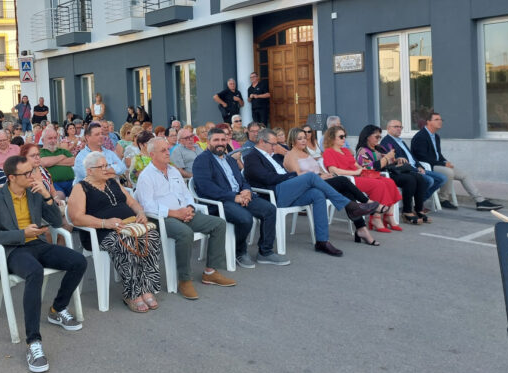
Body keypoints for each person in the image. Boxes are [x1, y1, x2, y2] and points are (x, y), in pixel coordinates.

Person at [0, 155, 86, 373]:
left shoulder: (35, 193)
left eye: (32, 171)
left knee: (78, 261)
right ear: (11, 177)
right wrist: (21, 234)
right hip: (13, 250)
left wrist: (48, 196)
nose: (32, 176)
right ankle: (33, 342)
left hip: (37, 244)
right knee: (35, 272)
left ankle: (57, 308)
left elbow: (58, 223)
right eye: (27, 173)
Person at [245, 129, 377, 256]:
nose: (275, 147)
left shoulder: (271, 157)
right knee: (310, 176)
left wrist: (292, 176)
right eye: (273, 144)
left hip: (287, 189)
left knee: (317, 194)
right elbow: (267, 178)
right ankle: (350, 206)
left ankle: (322, 241)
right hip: (275, 194)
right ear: (262, 142)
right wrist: (293, 176)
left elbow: (281, 172)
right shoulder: (252, 157)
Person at [134, 138, 235, 299]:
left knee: (219, 224)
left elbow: (187, 194)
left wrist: (189, 208)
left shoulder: (174, 171)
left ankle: (211, 271)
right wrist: (175, 213)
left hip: (184, 213)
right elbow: (147, 207)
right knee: (185, 233)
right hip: (162, 218)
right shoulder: (146, 176)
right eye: (163, 151)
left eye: (168, 149)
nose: (168, 153)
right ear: (152, 154)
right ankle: (184, 279)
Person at [69, 151, 161, 313]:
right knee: (126, 242)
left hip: (128, 225)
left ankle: (146, 287)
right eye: (101, 166)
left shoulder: (113, 182)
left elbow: (132, 202)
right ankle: (132, 293)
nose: (106, 169)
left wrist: (140, 213)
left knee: (152, 235)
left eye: (107, 165)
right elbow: (76, 218)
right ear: (90, 170)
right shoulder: (81, 188)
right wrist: (105, 223)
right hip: (100, 232)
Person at [192, 128, 283, 268]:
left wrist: (246, 190)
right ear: (208, 141)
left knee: (270, 209)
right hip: (219, 202)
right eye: (216, 140)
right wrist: (233, 197)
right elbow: (206, 187)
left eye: (223, 140)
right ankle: (239, 251)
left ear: (227, 141)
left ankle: (265, 252)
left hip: (240, 197)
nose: (220, 143)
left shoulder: (230, 159)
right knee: (245, 218)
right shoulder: (202, 160)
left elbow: (241, 179)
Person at [284, 127, 379, 241]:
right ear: (292, 141)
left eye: (304, 138)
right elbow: (298, 175)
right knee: (343, 180)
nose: (304, 140)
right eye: (300, 139)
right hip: (308, 188)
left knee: (347, 191)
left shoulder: (306, 153)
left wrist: (325, 174)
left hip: (320, 182)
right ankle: (366, 202)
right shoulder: (290, 155)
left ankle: (361, 229)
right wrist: (320, 176)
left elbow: (318, 169)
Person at [410, 112, 502, 211]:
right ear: (428, 122)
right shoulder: (420, 137)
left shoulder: (435, 136)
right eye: (436, 120)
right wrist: (443, 164)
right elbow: (422, 157)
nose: (440, 122)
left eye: (441, 120)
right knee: (448, 172)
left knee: (464, 174)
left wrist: (446, 161)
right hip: (426, 166)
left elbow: (438, 154)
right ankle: (443, 199)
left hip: (437, 164)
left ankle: (480, 201)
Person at [322, 126, 403, 232]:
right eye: (341, 137)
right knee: (378, 184)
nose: (344, 139)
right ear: (332, 138)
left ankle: (389, 216)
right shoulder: (328, 152)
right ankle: (375, 218)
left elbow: (356, 165)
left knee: (389, 181)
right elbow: (333, 171)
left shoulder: (345, 151)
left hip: (358, 176)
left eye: (344, 136)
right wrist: (355, 172)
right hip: (349, 180)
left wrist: (365, 170)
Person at [382, 119, 447, 218]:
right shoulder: (386, 142)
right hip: (407, 170)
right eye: (396, 127)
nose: (399, 129)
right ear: (388, 128)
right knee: (429, 180)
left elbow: (412, 157)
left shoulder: (401, 141)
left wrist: (419, 166)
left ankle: (419, 201)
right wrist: (415, 169)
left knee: (442, 178)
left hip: (416, 168)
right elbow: (393, 161)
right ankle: (418, 204)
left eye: (400, 127)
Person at [39, 128, 75, 198]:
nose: (53, 141)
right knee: (59, 197)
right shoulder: (40, 152)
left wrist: (52, 162)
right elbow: (44, 162)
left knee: (79, 196)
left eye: (55, 138)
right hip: (53, 184)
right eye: (50, 138)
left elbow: (73, 161)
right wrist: (61, 157)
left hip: (71, 182)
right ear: (43, 140)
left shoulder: (63, 150)